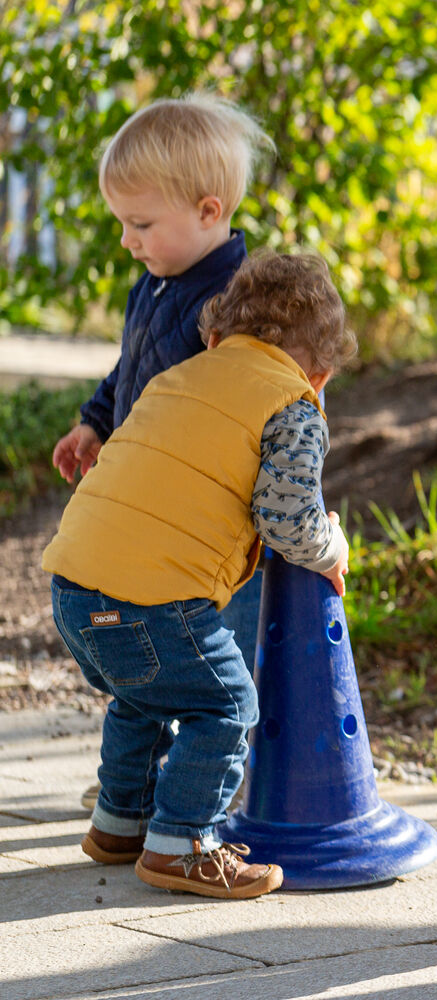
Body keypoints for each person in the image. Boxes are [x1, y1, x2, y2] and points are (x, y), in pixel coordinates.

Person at [43, 250, 357, 899]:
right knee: (228, 703)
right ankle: (183, 844)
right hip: (151, 602)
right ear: (320, 372)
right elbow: (287, 520)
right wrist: (332, 549)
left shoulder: (175, 379)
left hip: (73, 589)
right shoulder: (293, 407)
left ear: (214, 335)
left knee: (146, 694)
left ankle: (119, 823)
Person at [51, 96, 275, 812]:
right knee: (147, 647)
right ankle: (135, 781)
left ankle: (216, 773)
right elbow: (133, 368)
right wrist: (95, 422)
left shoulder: (235, 302)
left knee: (217, 650)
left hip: (208, 516)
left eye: (140, 224)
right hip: (150, 506)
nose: (127, 240)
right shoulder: (156, 284)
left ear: (210, 212)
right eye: (124, 223)